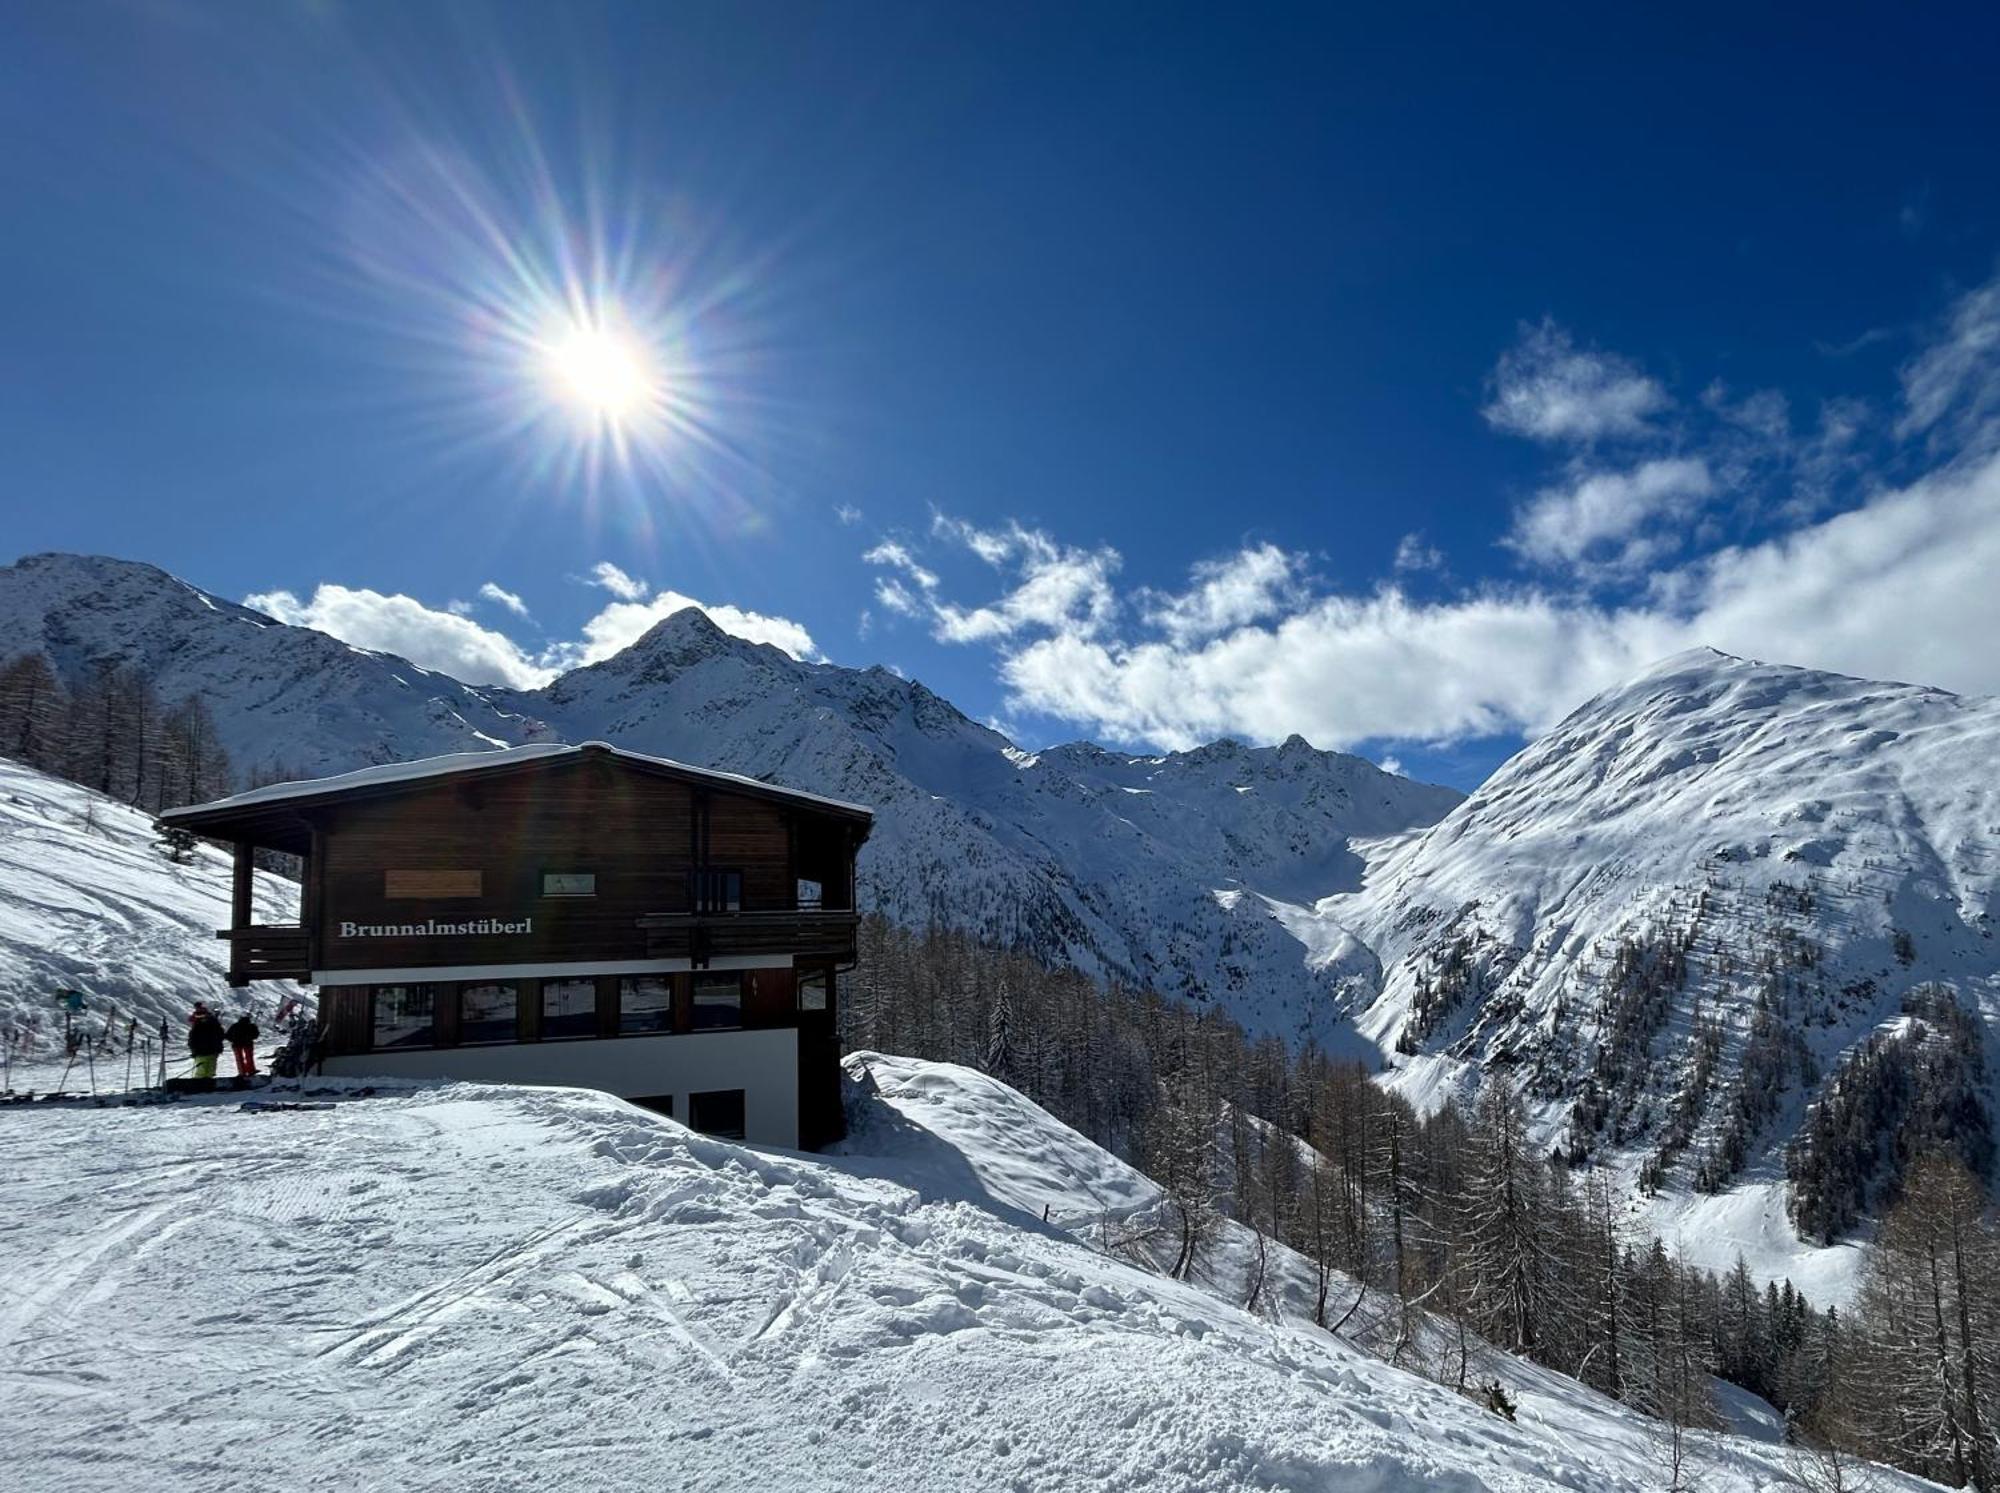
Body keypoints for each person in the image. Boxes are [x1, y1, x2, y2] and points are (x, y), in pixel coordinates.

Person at [187, 1003, 225, 1080]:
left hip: (206, 1049)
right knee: (205, 1068)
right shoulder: (203, 1022)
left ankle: (203, 1083)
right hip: (206, 1050)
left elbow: (220, 1036)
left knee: (207, 1068)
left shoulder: (200, 1023)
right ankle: (202, 1082)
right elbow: (220, 1036)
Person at [225, 1013, 261, 1077]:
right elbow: (256, 1034)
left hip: (236, 1044)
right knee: (249, 1057)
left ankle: (242, 1072)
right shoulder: (251, 1026)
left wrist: (233, 1040)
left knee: (239, 1059)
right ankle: (251, 1070)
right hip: (248, 1043)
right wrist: (250, 1038)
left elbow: (228, 1035)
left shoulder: (235, 1026)